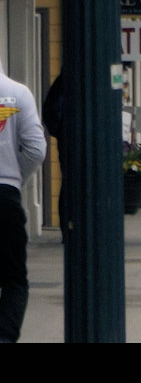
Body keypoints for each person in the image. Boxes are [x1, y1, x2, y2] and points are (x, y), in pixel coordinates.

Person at [0, 64, 46, 343]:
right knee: (14, 278)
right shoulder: (17, 93)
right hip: (5, 196)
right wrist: (17, 179)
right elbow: (36, 149)